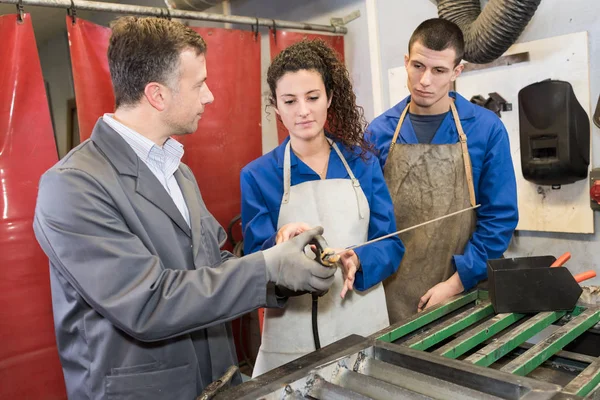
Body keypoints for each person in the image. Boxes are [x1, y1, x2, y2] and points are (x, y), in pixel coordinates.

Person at [32, 17, 336, 400]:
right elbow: (147, 302)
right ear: (158, 95)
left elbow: (211, 266)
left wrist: (284, 268)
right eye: (199, 84)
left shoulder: (178, 172)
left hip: (217, 382)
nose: (209, 96)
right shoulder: (73, 185)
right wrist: (266, 266)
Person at [241, 39, 405, 377]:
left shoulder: (363, 163)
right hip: (292, 342)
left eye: (313, 98)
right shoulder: (258, 176)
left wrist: (360, 259)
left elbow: (390, 243)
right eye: (290, 101)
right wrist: (280, 247)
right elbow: (255, 268)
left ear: (329, 98)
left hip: (361, 325)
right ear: (276, 107)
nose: (303, 110)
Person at [367, 18, 519, 323]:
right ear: (407, 62)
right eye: (418, 66)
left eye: (438, 71)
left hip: (467, 292)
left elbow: (499, 218)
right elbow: (369, 222)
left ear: (456, 71)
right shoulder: (378, 133)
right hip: (391, 295)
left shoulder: (486, 130)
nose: (425, 81)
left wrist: (455, 284)